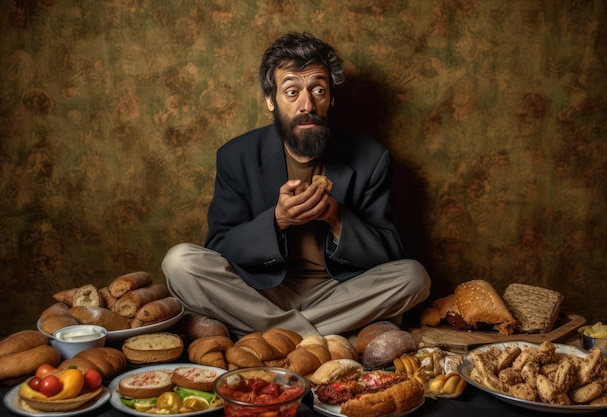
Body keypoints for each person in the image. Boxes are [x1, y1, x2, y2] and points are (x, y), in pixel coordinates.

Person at [162, 32, 430, 338]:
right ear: (270, 100)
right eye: (292, 92)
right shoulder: (236, 156)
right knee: (180, 262)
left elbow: (389, 252)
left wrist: (336, 218)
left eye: (318, 90)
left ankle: (273, 334)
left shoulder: (371, 157)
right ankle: (310, 335)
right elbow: (220, 246)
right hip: (259, 292)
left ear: (331, 98)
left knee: (414, 277)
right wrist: (277, 221)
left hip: (338, 293)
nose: (307, 104)